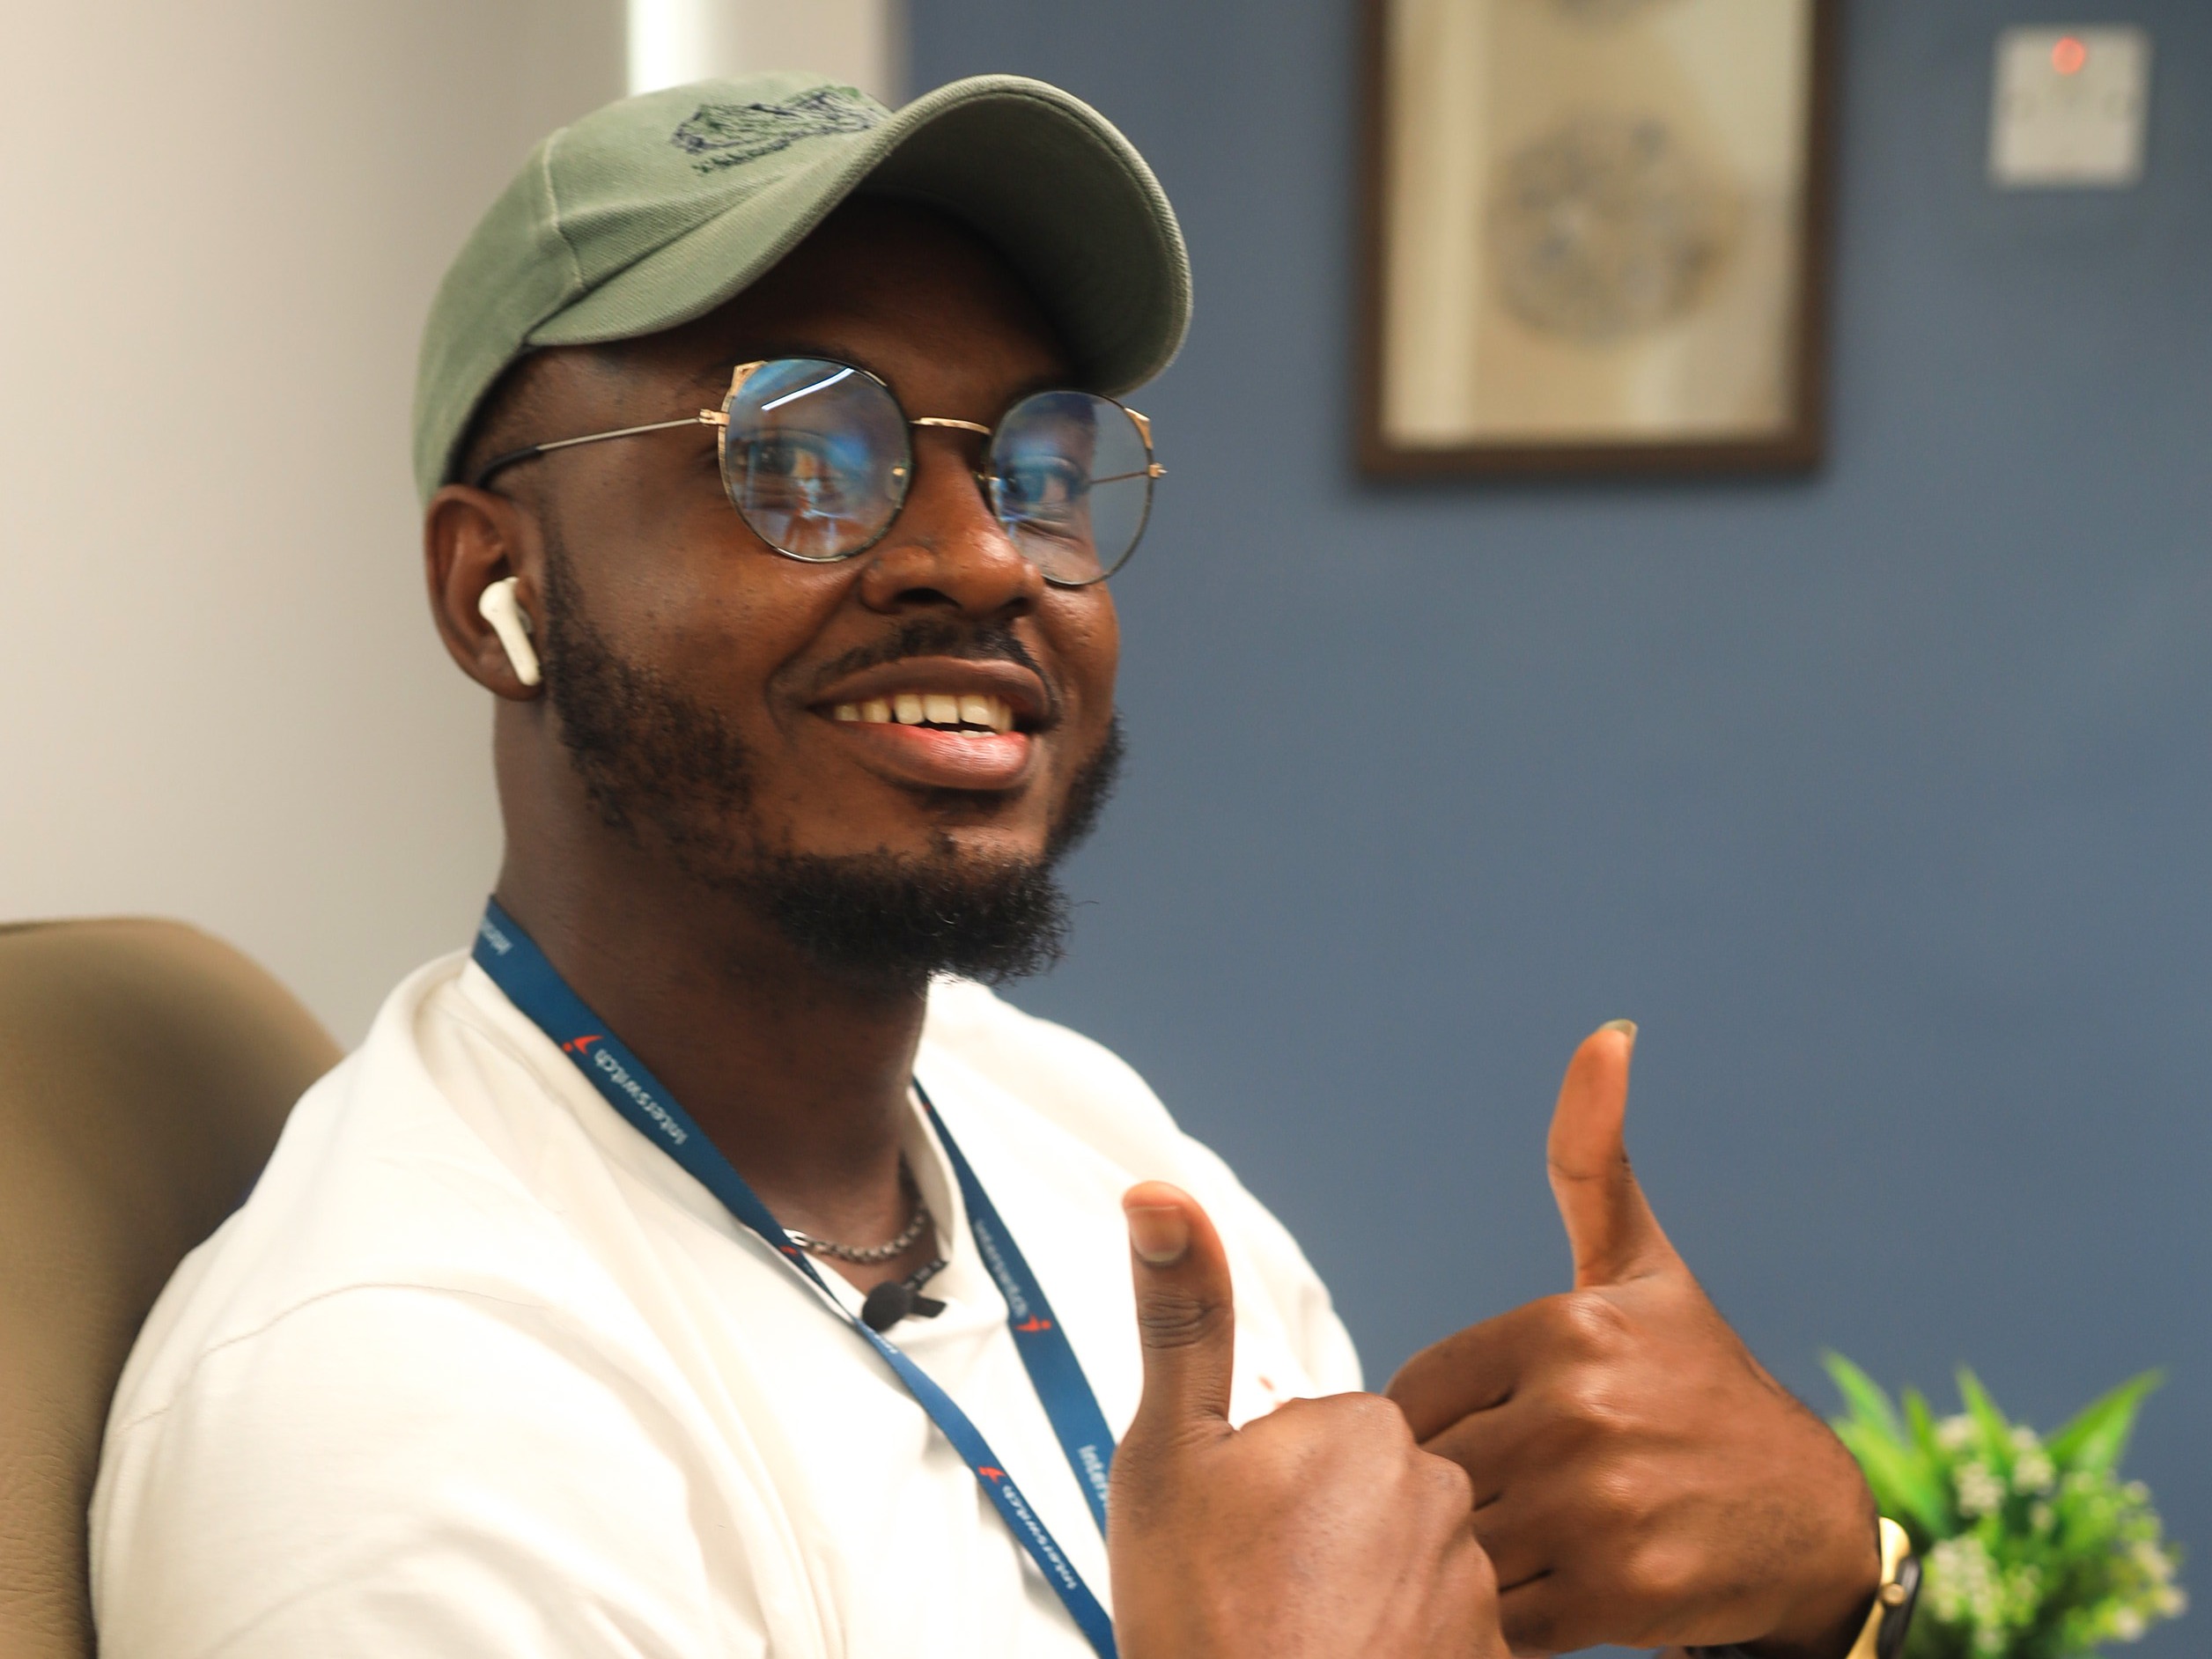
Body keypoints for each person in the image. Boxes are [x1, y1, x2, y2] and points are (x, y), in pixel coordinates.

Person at [90, 72, 1890, 1659]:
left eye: (1036, 467)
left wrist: (1827, 1606)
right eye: (799, 454)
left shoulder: (1063, 1130)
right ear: (497, 587)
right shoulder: (392, 1421)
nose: (986, 557)